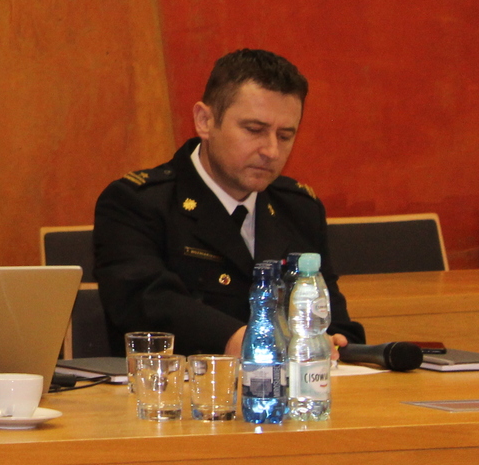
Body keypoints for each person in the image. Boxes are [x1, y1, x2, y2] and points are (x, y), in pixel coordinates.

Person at [93, 48, 364, 354]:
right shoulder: (137, 202)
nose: (271, 151)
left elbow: (334, 321)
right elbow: (145, 303)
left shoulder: (299, 209)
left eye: (285, 136)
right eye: (254, 130)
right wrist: (244, 342)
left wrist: (336, 343)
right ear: (205, 121)